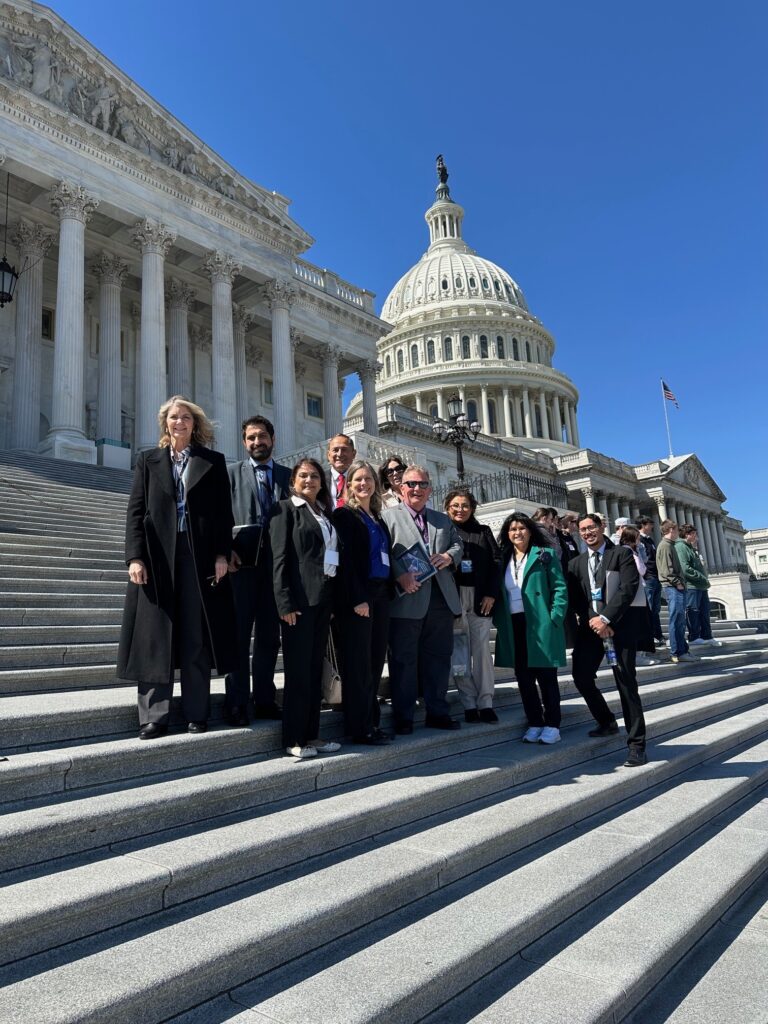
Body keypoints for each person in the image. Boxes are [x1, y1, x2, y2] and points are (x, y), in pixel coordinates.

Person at [118, 396, 236, 739]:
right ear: (165, 423)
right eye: (173, 417)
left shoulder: (211, 461)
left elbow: (222, 515)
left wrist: (221, 554)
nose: (179, 422)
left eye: (185, 417)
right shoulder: (148, 461)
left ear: (194, 424)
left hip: (196, 555)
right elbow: (135, 512)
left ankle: (196, 712)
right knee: (155, 635)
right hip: (157, 557)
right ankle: (154, 716)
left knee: (195, 635)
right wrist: (134, 557)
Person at [270, 458, 342, 759]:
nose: (309, 480)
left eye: (314, 476)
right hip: (298, 605)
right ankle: (294, 738)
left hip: (322, 602)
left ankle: (312, 735)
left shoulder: (324, 513)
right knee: (298, 673)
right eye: (303, 476)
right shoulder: (285, 509)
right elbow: (280, 559)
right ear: (293, 482)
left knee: (314, 671)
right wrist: (284, 601)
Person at [382, 465, 462, 734]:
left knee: (439, 658)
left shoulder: (442, 519)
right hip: (407, 598)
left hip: (440, 599)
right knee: (403, 660)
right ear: (401, 488)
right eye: (411, 484)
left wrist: (450, 556)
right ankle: (403, 716)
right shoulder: (387, 517)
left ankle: (437, 712)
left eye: (422, 484)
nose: (417, 489)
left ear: (430, 489)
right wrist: (399, 575)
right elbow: (384, 553)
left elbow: (457, 544)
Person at [567, 513, 648, 767]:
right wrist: (594, 620)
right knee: (580, 675)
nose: (588, 532)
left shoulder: (621, 554)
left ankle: (637, 744)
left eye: (592, 527)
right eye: (583, 529)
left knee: (625, 682)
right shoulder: (576, 563)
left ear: (603, 527)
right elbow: (578, 598)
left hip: (619, 627)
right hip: (591, 627)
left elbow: (628, 588)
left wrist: (607, 619)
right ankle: (606, 720)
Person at [225, 415, 291, 726]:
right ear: (244, 442)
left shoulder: (288, 478)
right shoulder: (231, 475)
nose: (256, 442)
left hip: (275, 571)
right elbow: (217, 519)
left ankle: (264, 699)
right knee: (237, 637)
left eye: (262, 436)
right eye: (250, 438)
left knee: (269, 638)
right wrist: (226, 550)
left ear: (272, 439)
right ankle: (237, 702)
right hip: (241, 569)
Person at [333, 460, 394, 745]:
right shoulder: (344, 515)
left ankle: (372, 723)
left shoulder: (378, 518)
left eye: (368, 479)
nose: (363, 484)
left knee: (373, 665)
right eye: (357, 479)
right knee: (358, 666)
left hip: (381, 595)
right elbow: (344, 561)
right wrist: (358, 598)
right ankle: (360, 727)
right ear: (348, 484)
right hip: (358, 597)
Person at [493, 512, 567, 744]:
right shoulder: (503, 558)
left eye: (522, 528)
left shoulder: (544, 555)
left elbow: (559, 588)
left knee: (546, 676)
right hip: (514, 623)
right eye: (513, 529)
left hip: (540, 621)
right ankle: (535, 721)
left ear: (530, 531)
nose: (517, 533)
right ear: (507, 534)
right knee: (524, 678)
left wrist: (554, 617)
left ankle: (553, 724)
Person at [443, 488, 501, 723]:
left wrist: (491, 594)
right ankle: (468, 702)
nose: (460, 510)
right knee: (459, 653)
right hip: (454, 597)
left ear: (472, 508)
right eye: (455, 505)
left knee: (482, 652)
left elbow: (497, 563)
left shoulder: (483, 531)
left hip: (480, 598)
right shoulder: (444, 531)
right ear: (447, 507)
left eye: (465, 505)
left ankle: (485, 701)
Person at [657, 519, 697, 664]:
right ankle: (677, 652)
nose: (677, 534)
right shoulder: (665, 546)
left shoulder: (669, 545)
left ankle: (683, 650)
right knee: (676, 620)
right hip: (673, 587)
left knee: (680, 621)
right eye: (675, 530)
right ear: (671, 530)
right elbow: (666, 569)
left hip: (675, 586)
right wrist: (677, 583)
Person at [676, 524, 722, 648]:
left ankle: (707, 635)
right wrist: (702, 578)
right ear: (687, 535)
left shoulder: (690, 547)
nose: (696, 537)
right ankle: (694, 636)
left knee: (704, 611)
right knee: (693, 611)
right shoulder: (681, 547)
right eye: (694, 534)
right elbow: (685, 568)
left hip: (700, 586)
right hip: (692, 586)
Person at [619, 526, 657, 662]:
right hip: (635, 591)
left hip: (637, 590)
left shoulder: (628, 550)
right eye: (637, 537)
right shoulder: (628, 552)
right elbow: (641, 569)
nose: (640, 539)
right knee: (639, 624)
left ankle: (640, 654)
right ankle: (638, 655)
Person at [636, 516, 665, 646]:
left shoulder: (650, 540)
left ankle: (657, 634)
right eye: (650, 524)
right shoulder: (639, 540)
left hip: (655, 577)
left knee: (656, 609)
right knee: (649, 608)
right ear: (643, 524)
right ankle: (650, 634)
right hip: (648, 578)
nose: (652, 526)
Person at [325, 433, 356, 509]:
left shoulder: (361, 480)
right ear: (328, 455)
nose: (339, 454)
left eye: (344, 449)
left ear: (354, 454)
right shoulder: (320, 479)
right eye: (335, 450)